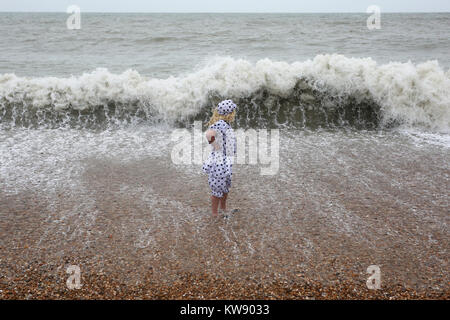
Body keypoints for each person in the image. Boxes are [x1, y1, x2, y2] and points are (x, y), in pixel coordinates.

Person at [202, 100, 237, 217]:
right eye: (233, 111)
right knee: (217, 188)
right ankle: (214, 213)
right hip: (219, 162)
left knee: (225, 187)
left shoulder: (225, 124)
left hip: (225, 161)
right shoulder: (220, 123)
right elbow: (208, 134)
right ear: (230, 113)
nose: (234, 114)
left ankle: (223, 208)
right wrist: (215, 146)